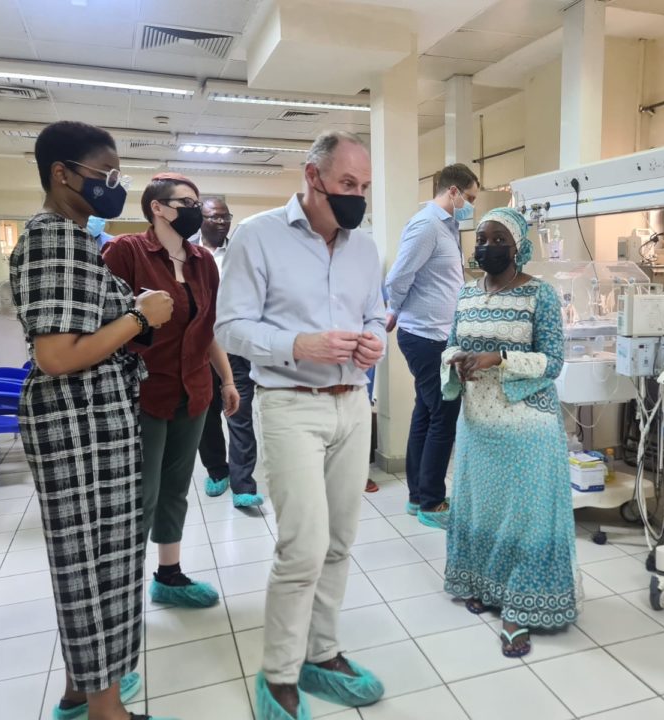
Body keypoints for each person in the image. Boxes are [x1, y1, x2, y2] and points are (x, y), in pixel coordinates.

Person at [216, 130, 386, 720]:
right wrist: (299, 343)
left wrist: (376, 342)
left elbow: (375, 312)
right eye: (347, 184)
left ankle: (323, 651)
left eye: (365, 186)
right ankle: (281, 672)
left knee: (339, 543)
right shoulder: (258, 237)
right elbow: (230, 328)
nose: (357, 197)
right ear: (312, 177)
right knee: (304, 546)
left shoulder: (365, 248)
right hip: (289, 405)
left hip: (352, 405)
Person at [9, 120, 175, 720]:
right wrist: (139, 316)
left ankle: (83, 691)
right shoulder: (55, 237)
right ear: (62, 174)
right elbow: (56, 356)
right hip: (77, 425)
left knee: (90, 560)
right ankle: (108, 712)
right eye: (105, 174)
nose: (113, 185)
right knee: (97, 563)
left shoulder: (73, 235)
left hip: (91, 421)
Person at [441, 207, 580, 659]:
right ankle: (487, 584)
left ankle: (520, 607)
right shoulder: (465, 295)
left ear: (518, 246)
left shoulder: (539, 295)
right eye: (481, 238)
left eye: (497, 239)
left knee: (525, 517)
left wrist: (500, 358)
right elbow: (452, 344)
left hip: (526, 425)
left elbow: (553, 362)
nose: (486, 247)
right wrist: (458, 359)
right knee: (486, 512)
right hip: (478, 425)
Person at [102, 173, 238, 609]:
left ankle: (169, 575)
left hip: (194, 390)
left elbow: (207, 329)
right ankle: (120, 601)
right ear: (157, 207)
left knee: (177, 486)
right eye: (185, 202)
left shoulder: (202, 262)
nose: (196, 210)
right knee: (141, 493)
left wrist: (228, 379)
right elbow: (104, 323)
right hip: (142, 392)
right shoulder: (127, 253)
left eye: (197, 201)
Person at [385, 163, 480, 529]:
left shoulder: (448, 227)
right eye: (469, 198)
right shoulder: (426, 225)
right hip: (425, 336)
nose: (471, 205)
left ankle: (417, 496)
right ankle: (432, 502)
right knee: (444, 414)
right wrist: (394, 310)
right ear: (453, 192)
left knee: (426, 413)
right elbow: (398, 276)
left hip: (437, 334)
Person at [192, 198, 263, 507]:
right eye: (213, 217)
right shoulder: (186, 252)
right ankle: (217, 470)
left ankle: (243, 483)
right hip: (199, 346)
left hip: (235, 344)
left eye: (225, 217)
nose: (221, 222)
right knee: (206, 415)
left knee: (241, 412)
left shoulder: (242, 252)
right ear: (200, 219)